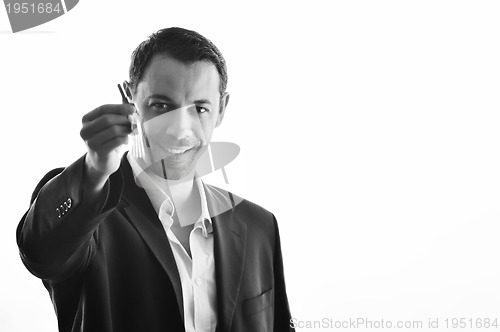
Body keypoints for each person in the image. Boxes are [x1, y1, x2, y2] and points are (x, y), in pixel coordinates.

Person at [16, 27, 294, 332]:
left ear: (221, 109)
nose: (180, 129)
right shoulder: (90, 214)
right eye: (161, 105)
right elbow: (40, 252)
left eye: (200, 108)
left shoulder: (259, 226)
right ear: (129, 98)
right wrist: (95, 170)